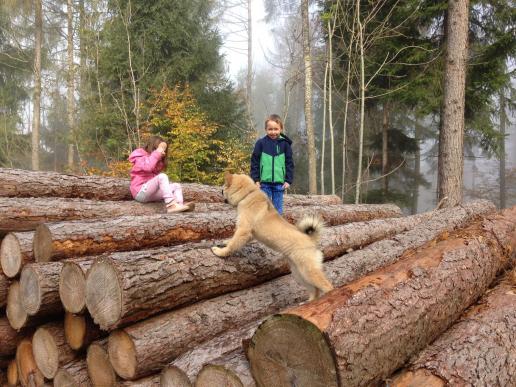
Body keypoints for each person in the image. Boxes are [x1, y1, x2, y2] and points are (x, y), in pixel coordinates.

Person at [128, 135, 194, 213]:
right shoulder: (140, 156)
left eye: (164, 150)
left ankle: (179, 206)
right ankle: (171, 205)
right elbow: (148, 167)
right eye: (161, 149)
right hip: (140, 192)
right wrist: (157, 152)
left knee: (176, 186)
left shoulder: (156, 159)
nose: (163, 152)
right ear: (153, 147)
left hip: (151, 193)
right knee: (162, 176)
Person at [250, 114, 294, 214]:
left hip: (280, 184)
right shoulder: (260, 143)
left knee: (277, 210)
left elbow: (289, 163)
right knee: (264, 209)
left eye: (276, 129)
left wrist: (288, 180)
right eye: (270, 129)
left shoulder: (285, 144)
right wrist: (256, 179)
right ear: (266, 129)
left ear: (281, 129)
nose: (273, 132)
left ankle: (276, 228)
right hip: (264, 183)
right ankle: (263, 228)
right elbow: (255, 162)